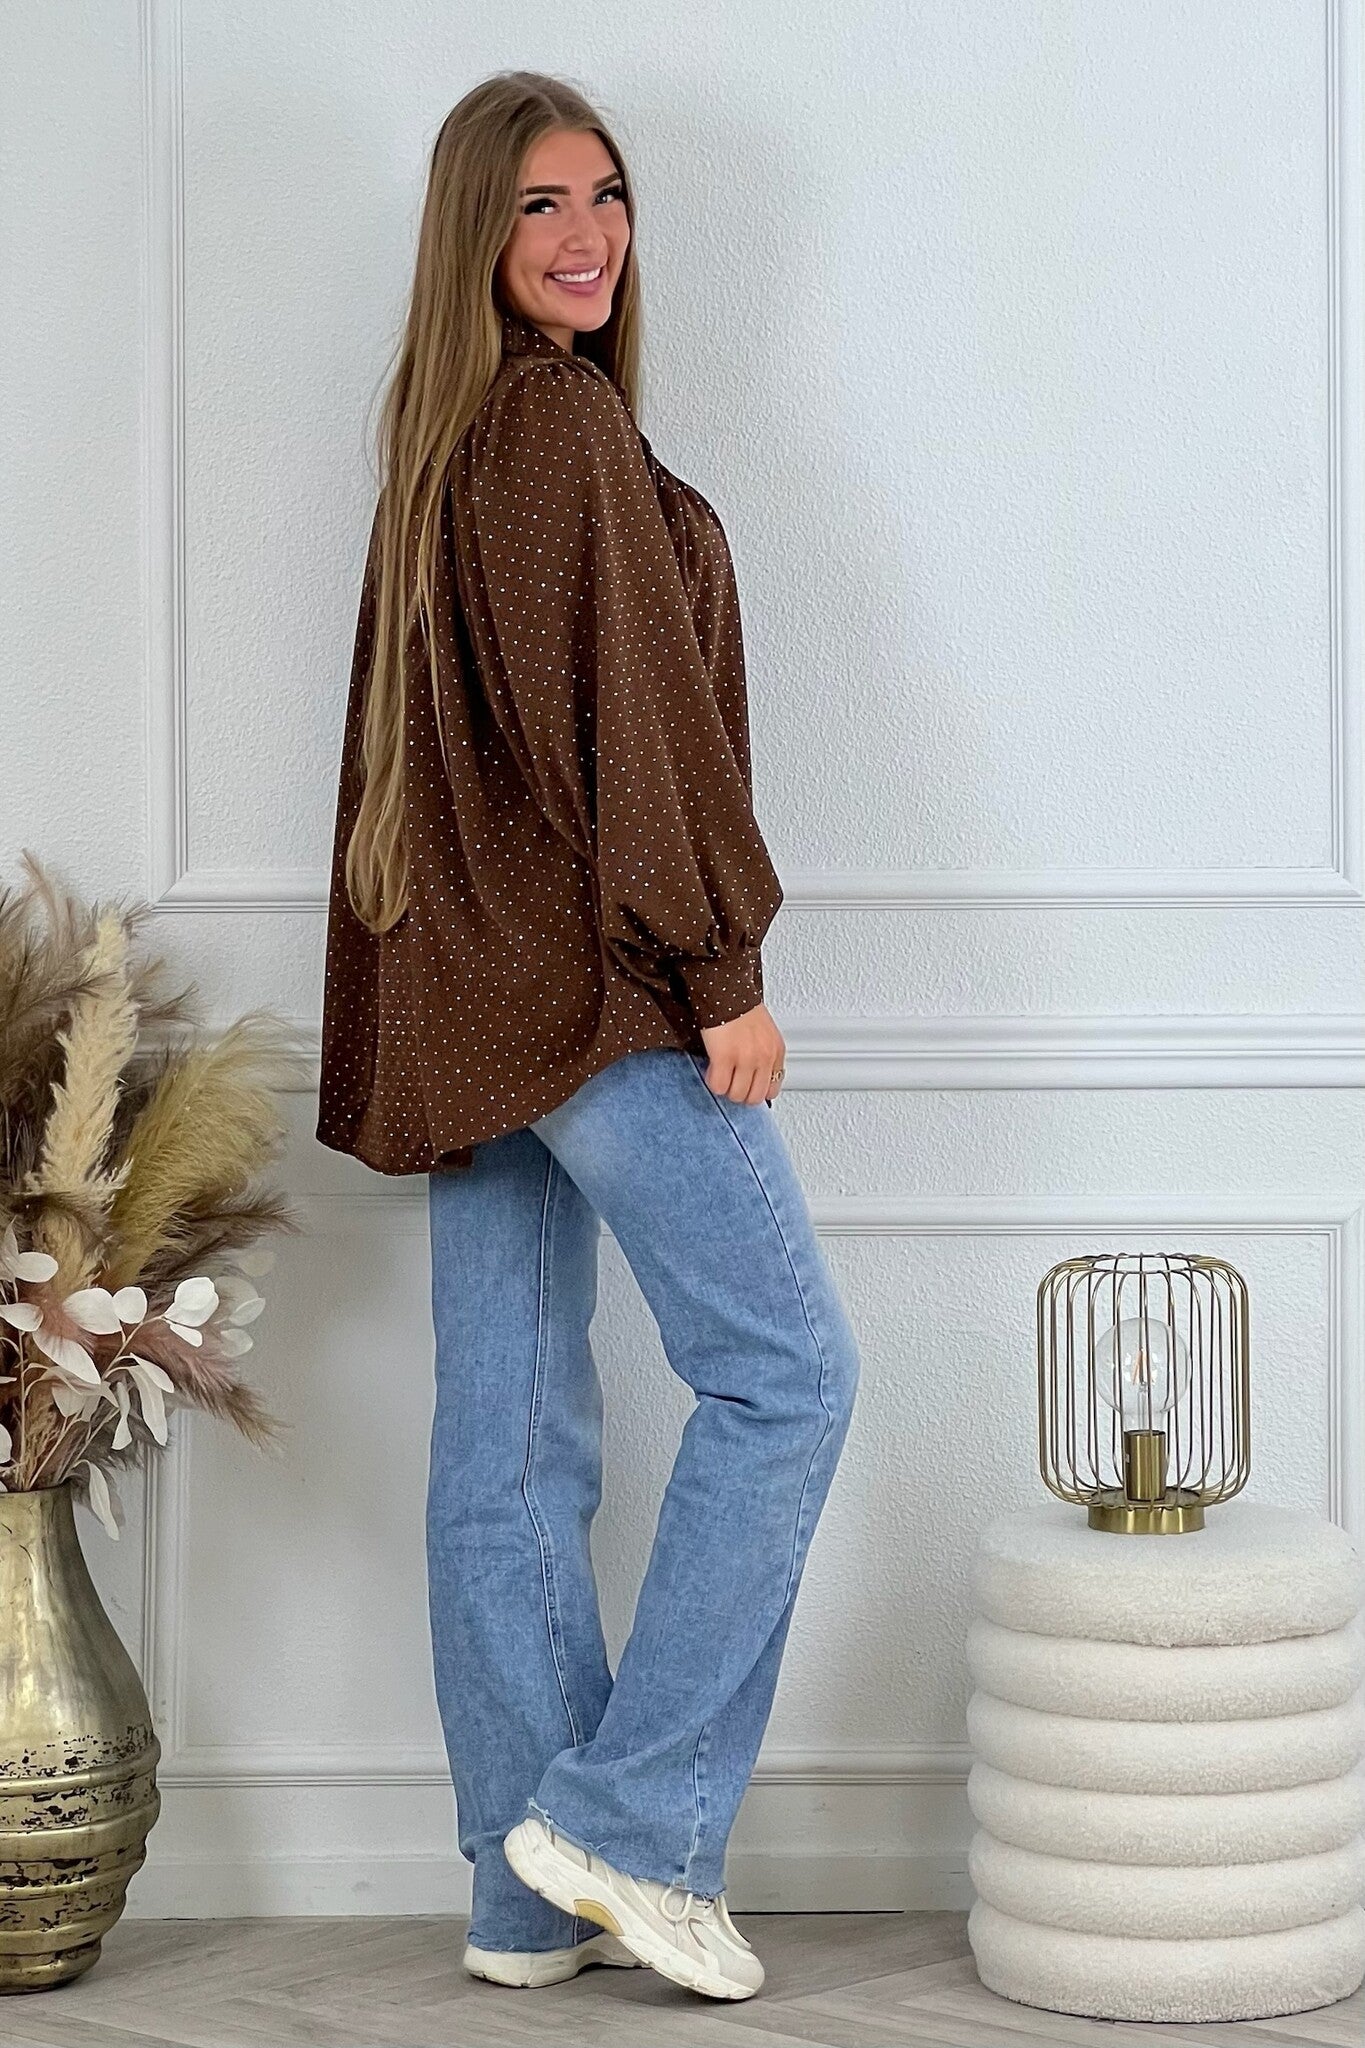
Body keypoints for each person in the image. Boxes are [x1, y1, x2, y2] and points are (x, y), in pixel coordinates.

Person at [316, 71, 861, 2004]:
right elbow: (631, 721)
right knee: (788, 1378)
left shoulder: (449, 437)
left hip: (470, 1014)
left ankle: (522, 1892)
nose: (586, 234)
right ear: (475, 231)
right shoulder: (552, 427)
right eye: (541, 202)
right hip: (591, 999)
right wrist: (721, 969)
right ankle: (627, 1825)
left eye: (607, 195)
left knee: (508, 1445)